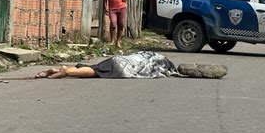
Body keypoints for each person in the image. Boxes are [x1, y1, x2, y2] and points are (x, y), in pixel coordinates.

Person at [34, 51, 178, 79]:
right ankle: (67, 72)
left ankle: (62, 69)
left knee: (96, 68)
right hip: (123, 68)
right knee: (96, 73)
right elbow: (158, 72)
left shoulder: (148, 54)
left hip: (118, 59)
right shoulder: (160, 64)